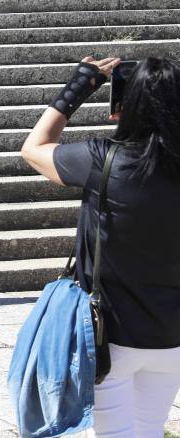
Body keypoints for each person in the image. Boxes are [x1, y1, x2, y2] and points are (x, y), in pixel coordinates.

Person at [21, 56, 180, 436]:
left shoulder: (101, 158)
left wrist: (80, 86)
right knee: (149, 430)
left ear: (126, 104)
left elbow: (33, 148)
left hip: (109, 334)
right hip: (172, 337)